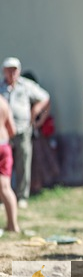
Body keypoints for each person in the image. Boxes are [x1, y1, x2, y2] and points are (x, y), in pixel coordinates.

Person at [0, 57, 51, 209]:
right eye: (9, 70)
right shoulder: (1, 87)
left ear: (19, 71)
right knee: (6, 167)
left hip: (22, 129)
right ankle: (4, 197)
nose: (12, 73)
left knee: (23, 162)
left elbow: (45, 98)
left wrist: (36, 111)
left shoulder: (27, 86)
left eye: (15, 69)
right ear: (4, 71)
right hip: (5, 134)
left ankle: (22, 196)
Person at [0, 95, 19, 232]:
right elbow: (12, 130)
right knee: (6, 187)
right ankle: (13, 225)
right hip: (4, 146)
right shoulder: (3, 102)